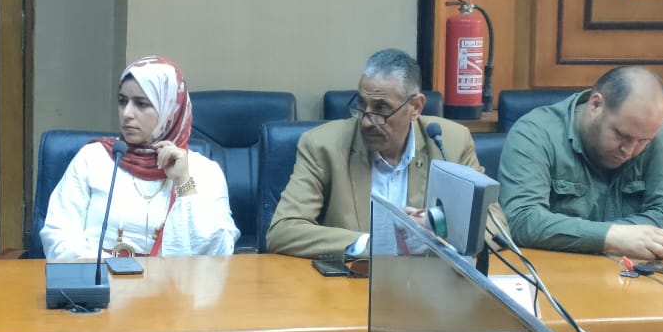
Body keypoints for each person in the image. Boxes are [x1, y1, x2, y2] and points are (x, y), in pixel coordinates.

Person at [267, 48, 497, 258]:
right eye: (362, 105)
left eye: (381, 108)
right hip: (352, 282)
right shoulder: (322, 145)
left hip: (426, 281)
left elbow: (494, 227)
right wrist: (374, 244)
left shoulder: (450, 143)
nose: (367, 121)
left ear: (415, 107)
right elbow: (283, 230)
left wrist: (438, 229)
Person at [40, 56, 239, 259]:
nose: (126, 113)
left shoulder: (204, 171)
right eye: (122, 101)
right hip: (99, 277)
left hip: (172, 280)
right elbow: (58, 235)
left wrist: (183, 184)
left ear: (169, 109)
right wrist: (114, 271)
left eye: (141, 104)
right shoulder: (92, 158)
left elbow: (218, 252)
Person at [497, 65, 663, 259]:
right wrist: (611, 236)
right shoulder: (534, 134)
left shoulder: (656, 135)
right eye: (622, 135)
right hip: (556, 269)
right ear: (595, 105)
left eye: (642, 141)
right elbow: (520, 219)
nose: (629, 150)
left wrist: (594, 236)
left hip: (633, 271)